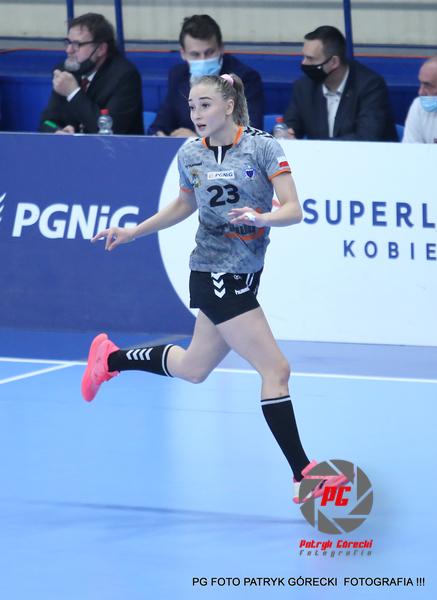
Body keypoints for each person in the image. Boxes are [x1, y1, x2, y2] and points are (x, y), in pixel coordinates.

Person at [81, 72, 347, 504]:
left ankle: (109, 359)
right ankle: (303, 474)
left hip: (246, 272)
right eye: (191, 106)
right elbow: (184, 204)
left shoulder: (262, 147)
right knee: (276, 370)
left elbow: (294, 210)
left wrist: (262, 218)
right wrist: (134, 232)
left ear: (228, 106)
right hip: (214, 274)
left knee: (193, 368)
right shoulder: (191, 154)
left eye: (204, 105)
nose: (196, 114)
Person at [147, 14, 264, 136]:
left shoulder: (245, 79)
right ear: (183, 54)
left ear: (221, 48)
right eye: (195, 54)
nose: (203, 60)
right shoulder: (178, 75)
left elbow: (250, 134)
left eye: (209, 52)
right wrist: (160, 135)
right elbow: (158, 126)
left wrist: (198, 141)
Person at [283, 26, 398, 141]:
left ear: (334, 62)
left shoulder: (370, 86)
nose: (304, 63)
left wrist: (319, 147)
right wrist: (284, 133)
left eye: (310, 58)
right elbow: (290, 125)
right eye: (304, 57)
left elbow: (366, 137)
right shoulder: (304, 87)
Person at [39, 13, 144, 135]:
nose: (69, 50)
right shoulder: (66, 71)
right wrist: (57, 130)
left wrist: (73, 93)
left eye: (77, 44)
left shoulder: (125, 76)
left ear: (101, 49)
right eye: (68, 42)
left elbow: (110, 131)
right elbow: (47, 122)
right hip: (72, 146)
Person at [403, 55, 437, 144]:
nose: (420, 92)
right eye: (421, 83)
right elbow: (411, 150)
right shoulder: (418, 106)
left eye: (428, 85)